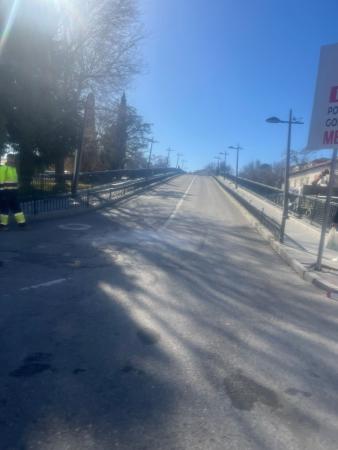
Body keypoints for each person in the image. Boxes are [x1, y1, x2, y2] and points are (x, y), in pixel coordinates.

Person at [0, 154, 26, 230]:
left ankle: (22, 223)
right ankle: (3, 225)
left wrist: (17, 188)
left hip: (13, 192)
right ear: (7, 159)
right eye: (11, 159)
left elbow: (15, 182)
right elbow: (1, 181)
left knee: (17, 208)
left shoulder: (13, 169)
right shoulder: (3, 168)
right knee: (4, 209)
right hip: (6, 192)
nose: (12, 160)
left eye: (13, 159)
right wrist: (2, 193)